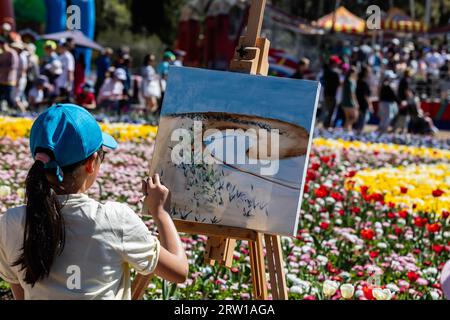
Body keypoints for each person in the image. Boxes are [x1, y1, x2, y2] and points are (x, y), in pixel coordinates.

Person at [0, 104, 188, 300]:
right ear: (92, 162)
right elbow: (179, 271)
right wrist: (161, 213)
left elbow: (20, 292)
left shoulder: (11, 222)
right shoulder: (114, 220)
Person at [321, 55, 341, 128]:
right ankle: (327, 127)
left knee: (326, 111)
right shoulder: (336, 72)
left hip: (326, 93)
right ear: (334, 63)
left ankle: (324, 125)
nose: (338, 64)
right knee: (330, 112)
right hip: (333, 95)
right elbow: (339, 84)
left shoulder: (325, 70)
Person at [0, 36, 19, 110]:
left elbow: (13, 67)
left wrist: (2, 70)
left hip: (10, 80)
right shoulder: (2, 54)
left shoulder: (12, 53)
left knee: (9, 97)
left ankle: (15, 111)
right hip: (1, 80)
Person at [340, 66, 359, 132]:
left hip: (344, 101)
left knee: (348, 118)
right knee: (354, 117)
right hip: (350, 102)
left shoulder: (345, 81)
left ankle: (347, 130)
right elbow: (352, 93)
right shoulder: (351, 82)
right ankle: (346, 129)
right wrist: (355, 102)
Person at [355, 66, 372, 133]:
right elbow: (366, 96)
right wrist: (370, 104)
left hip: (358, 102)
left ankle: (357, 132)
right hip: (362, 103)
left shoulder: (358, 81)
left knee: (360, 119)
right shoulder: (363, 83)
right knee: (362, 120)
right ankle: (358, 133)